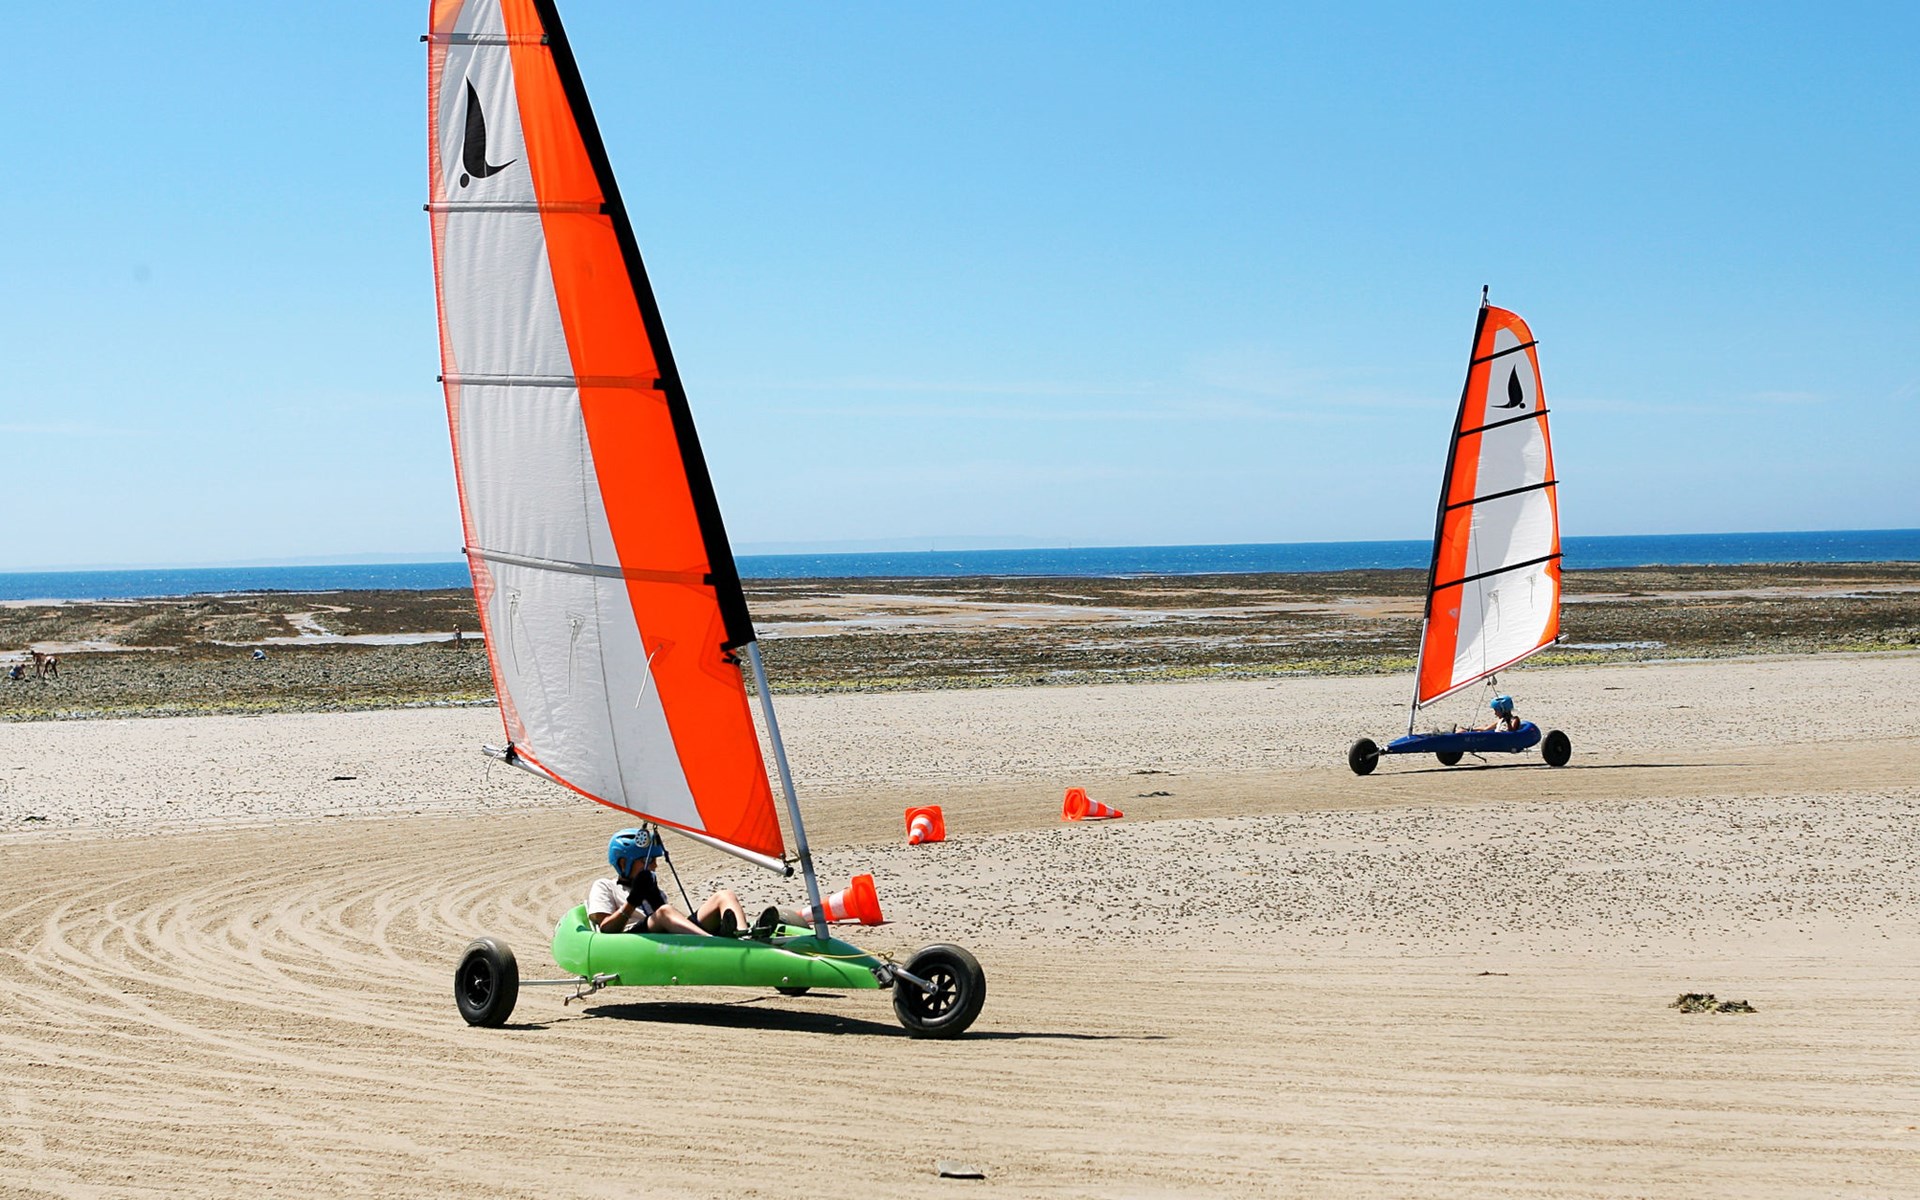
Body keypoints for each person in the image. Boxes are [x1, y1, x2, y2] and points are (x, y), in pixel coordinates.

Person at [588, 828, 773, 938]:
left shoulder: (649, 884)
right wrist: (633, 901)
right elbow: (606, 929)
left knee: (725, 895)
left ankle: (744, 934)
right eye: (648, 860)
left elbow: (665, 919)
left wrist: (652, 895)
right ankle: (714, 943)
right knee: (664, 912)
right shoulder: (604, 886)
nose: (654, 866)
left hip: (664, 933)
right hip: (633, 939)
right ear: (623, 863)